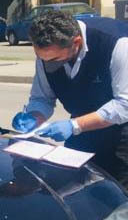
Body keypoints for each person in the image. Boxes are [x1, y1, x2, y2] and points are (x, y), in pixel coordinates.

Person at [11, 10, 128, 187]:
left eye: (55, 59)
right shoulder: (47, 53)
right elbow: (43, 98)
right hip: (82, 133)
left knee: (117, 194)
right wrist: (34, 117)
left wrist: (74, 125)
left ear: (76, 43)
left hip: (122, 137)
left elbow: (124, 105)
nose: (49, 64)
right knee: (75, 189)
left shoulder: (117, 44)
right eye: (42, 59)